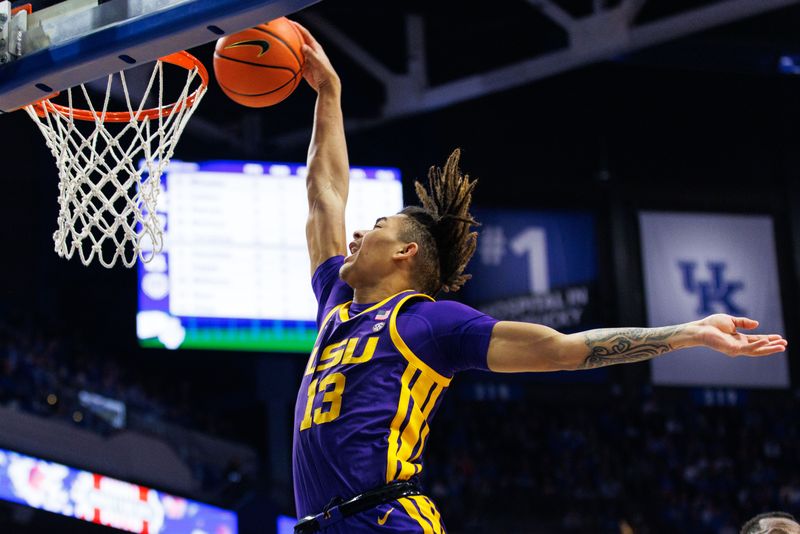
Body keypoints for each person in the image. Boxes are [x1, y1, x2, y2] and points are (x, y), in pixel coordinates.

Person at [289, 22, 788, 534]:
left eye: (374, 227)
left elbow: (564, 349)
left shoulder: (428, 323)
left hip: (386, 519)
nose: (353, 235)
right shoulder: (335, 300)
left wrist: (685, 333)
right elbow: (324, 193)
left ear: (405, 252)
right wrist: (330, 92)